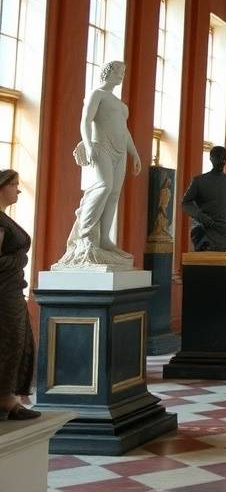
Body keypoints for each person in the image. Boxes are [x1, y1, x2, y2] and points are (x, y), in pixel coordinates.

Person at [56, 60, 140, 268]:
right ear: (108, 72)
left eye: (124, 72)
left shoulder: (121, 105)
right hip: (100, 146)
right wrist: (87, 144)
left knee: (113, 194)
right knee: (104, 187)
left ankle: (104, 239)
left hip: (120, 152)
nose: (122, 75)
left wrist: (135, 153)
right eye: (119, 71)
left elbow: (125, 131)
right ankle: (85, 234)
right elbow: (85, 120)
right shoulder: (97, 95)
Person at [0, 169, 39, 420]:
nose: (19, 189)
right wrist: (19, 258)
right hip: (3, 293)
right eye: (14, 185)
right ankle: (6, 402)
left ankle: (9, 400)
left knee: (19, 344)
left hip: (13, 290)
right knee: (8, 344)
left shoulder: (5, 218)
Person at [181, 146, 226, 252]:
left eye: (224, 158)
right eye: (218, 157)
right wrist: (200, 216)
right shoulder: (199, 181)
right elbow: (185, 203)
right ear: (211, 158)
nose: (221, 161)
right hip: (205, 232)